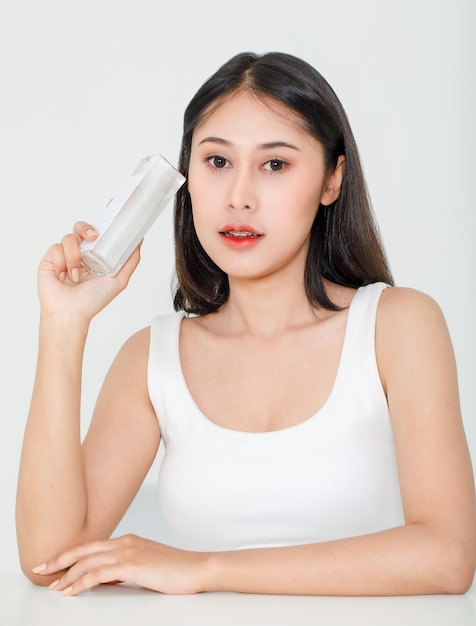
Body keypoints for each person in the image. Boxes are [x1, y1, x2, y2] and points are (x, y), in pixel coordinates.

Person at [16, 51, 476, 597]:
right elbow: (49, 560)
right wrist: (63, 326)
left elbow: (448, 557)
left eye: (275, 164)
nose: (239, 197)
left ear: (333, 179)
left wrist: (204, 568)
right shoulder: (152, 359)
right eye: (217, 162)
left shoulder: (397, 326)